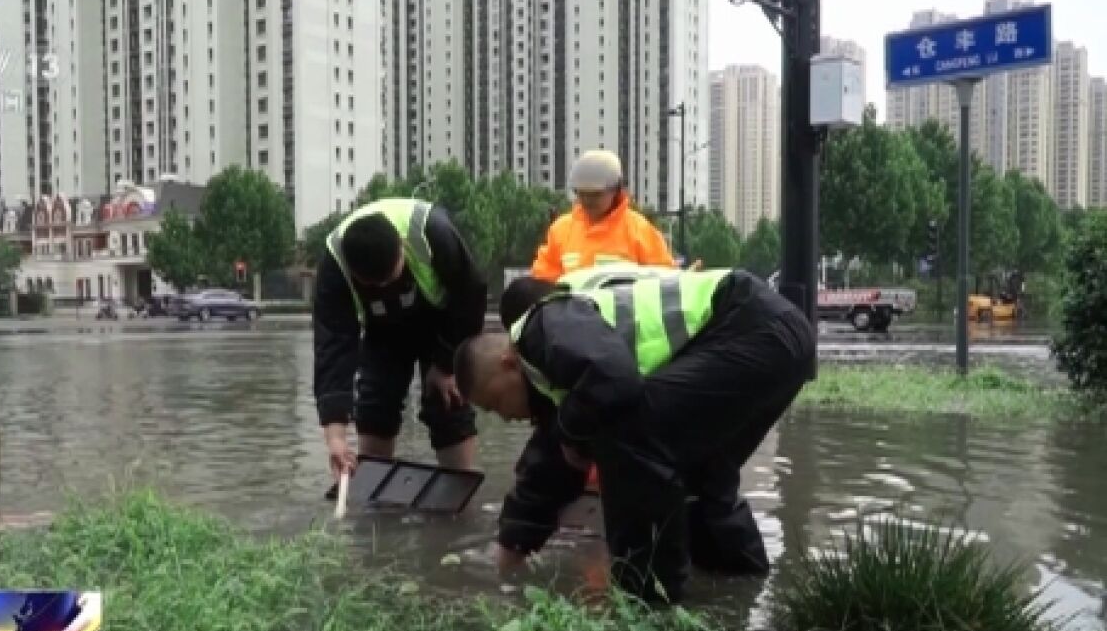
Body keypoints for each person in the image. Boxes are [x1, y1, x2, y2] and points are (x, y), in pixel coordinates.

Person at [454, 266, 816, 602]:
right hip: (778, 339)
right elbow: (548, 462)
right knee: (701, 473)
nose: (505, 416)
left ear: (507, 363)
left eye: (495, 402)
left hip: (754, 328)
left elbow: (614, 382)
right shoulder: (557, 370)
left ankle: (648, 604)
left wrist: (570, 433)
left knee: (624, 433)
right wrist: (513, 543)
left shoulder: (545, 325)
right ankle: (741, 591)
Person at [314, 197, 487, 478]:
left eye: (391, 278)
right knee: (374, 401)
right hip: (383, 331)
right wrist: (335, 437)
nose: (386, 288)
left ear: (402, 246)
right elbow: (333, 348)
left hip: (441, 322)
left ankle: (460, 485)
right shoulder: (334, 267)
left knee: (447, 401)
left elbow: (471, 295)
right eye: (375, 285)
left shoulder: (433, 231)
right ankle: (374, 491)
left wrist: (446, 365)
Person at [530, 150, 675, 280]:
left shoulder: (639, 230)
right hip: (573, 310)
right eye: (582, 194)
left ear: (615, 190)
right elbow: (544, 277)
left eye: (595, 195)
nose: (587, 201)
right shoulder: (561, 230)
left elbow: (663, 279)